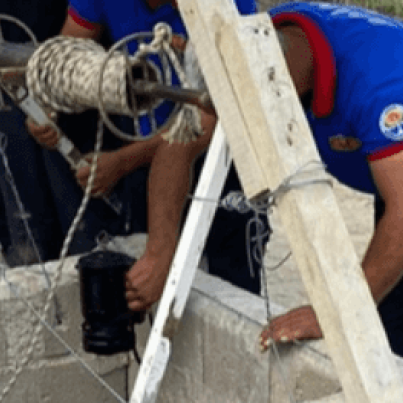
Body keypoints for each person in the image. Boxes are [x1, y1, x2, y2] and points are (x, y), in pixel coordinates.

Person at [127, 1, 403, 381]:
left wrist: (334, 311)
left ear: (273, 88)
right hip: (402, 167)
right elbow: (179, 147)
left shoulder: (377, 80)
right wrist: (161, 252)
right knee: (389, 319)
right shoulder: (255, 49)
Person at [36, 0, 262, 293]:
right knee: (145, 277)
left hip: (223, 159)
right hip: (147, 149)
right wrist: (45, 106)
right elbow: (65, 53)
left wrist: (122, 161)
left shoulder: (226, 6)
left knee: (231, 284)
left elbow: (217, 112)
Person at [0, 0, 121, 265]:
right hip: (0, 66)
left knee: (82, 199)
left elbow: (88, 18)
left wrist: (52, 93)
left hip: (76, 69)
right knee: (27, 208)